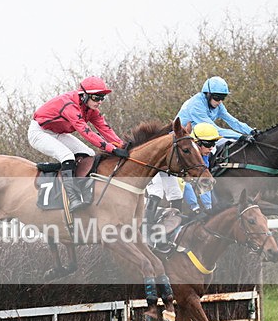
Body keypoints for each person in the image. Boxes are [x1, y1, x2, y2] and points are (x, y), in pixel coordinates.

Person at [146, 75, 256, 220]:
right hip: (176, 148)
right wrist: (240, 136)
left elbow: (232, 121)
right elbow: (215, 129)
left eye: (223, 98)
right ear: (208, 94)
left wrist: (251, 131)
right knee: (158, 192)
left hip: (192, 144)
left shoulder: (217, 104)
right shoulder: (196, 105)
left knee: (176, 194)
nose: (220, 102)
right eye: (217, 98)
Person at [29, 76, 129, 211]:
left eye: (101, 98)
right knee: (67, 156)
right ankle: (73, 198)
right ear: (84, 96)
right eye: (96, 98)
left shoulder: (91, 110)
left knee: (89, 154)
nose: (99, 102)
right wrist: (111, 149)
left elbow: (105, 129)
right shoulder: (69, 105)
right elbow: (85, 131)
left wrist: (121, 146)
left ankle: (84, 189)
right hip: (39, 132)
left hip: (58, 132)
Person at [182, 123, 221, 215]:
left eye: (213, 144)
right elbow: (183, 183)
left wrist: (209, 207)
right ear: (196, 143)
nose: (211, 148)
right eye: (208, 144)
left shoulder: (205, 156)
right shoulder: (184, 155)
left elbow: (205, 182)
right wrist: (195, 208)